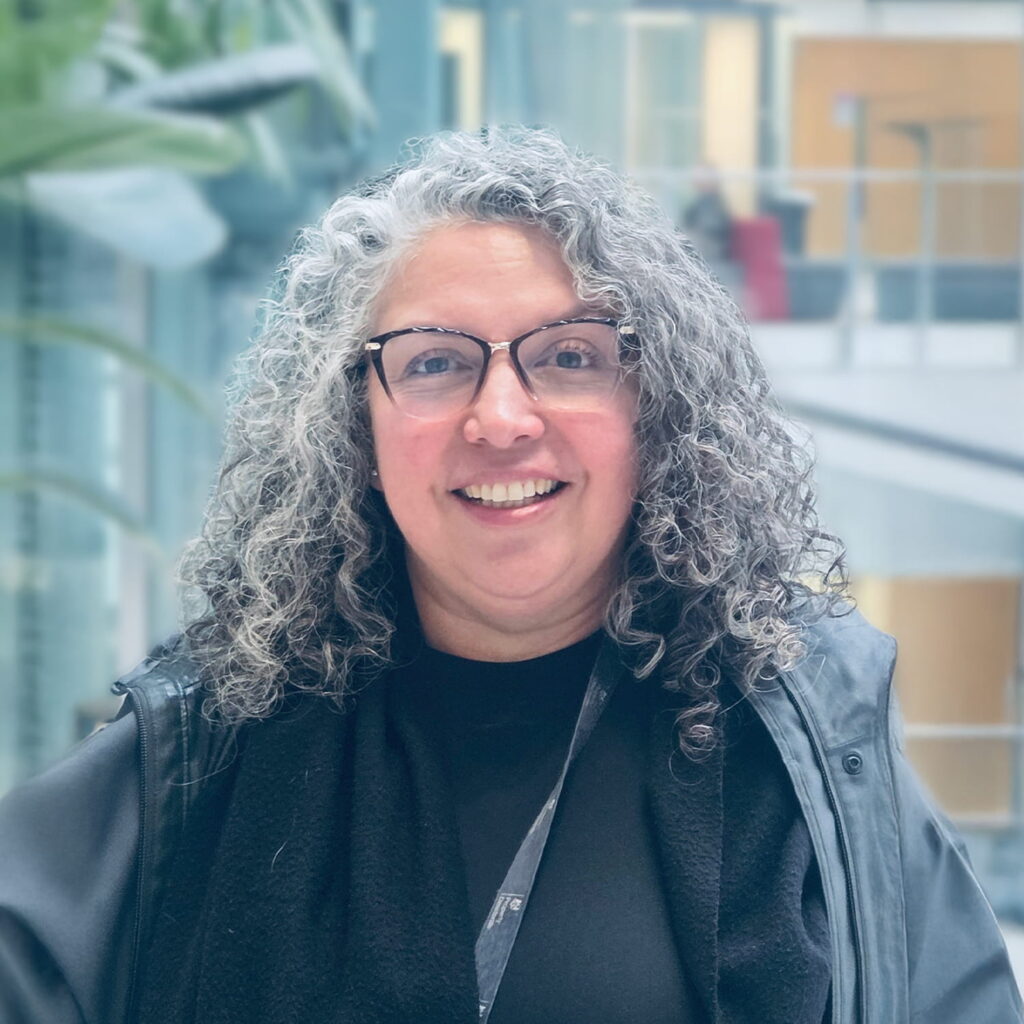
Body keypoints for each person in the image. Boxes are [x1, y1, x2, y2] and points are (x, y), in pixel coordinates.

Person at [0, 127, 1020, 1024]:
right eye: (436, 362)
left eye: (569, 356)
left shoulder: (805, 746)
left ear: (651, 407)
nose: (500, 417)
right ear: (353, 420)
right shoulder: (203, 743)